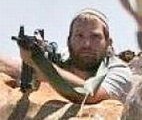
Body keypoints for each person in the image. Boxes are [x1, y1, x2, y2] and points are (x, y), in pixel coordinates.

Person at [0, 9, 132, 103]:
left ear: (108, 43)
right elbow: (16, 67)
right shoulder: (62, 57)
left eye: (95, 37)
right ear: (69, 41)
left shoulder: (119, 71)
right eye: (79, 36)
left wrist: (41, 63)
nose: (86, 44)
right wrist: (29, 59)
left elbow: (88, 95)